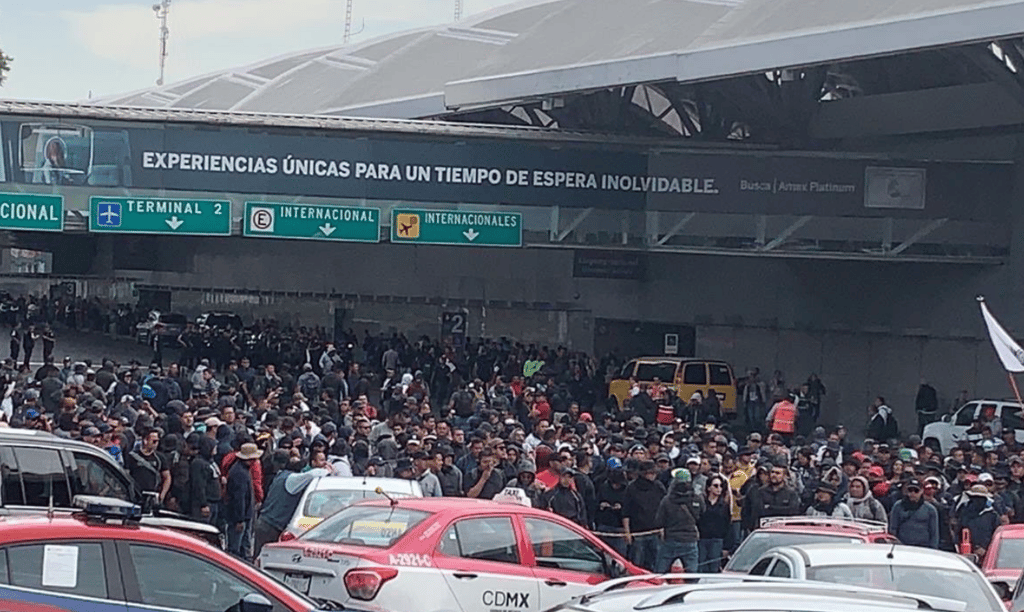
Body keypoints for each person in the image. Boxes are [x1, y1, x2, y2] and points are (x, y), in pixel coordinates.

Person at [654, 468, 703, 574]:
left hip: (671, 539)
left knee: (660, 572)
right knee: (692, 573)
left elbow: (659, 521)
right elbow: (702, 516)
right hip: (690, 539)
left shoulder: (667, 500)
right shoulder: (697, 498)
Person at [624, 460, 666, 571]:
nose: (653, 475)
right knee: (637, 563)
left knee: (655, 564)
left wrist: (663, 527)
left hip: (655, 532)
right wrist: (627, 532)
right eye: (650, 473)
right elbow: (626, 512)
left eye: (654, 473)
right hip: (638, 532)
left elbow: (664, 509)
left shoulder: (659, 487)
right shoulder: (631, 488)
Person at [224, 442, 262, 559]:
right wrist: (239, 520)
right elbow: (238, 499)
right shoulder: (240, 473)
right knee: (236, 548)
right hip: (240, 517)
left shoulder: (241, 470)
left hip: (244, 515)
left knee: (242, 546)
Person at [889, 479, 939, 548]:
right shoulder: (898, 506)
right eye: (910, 490)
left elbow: (934, 533)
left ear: (921, 491)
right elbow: (893, 528)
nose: (913, 493)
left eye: (916, 491)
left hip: (923, 547)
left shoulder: (930, 509)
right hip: (902, 546)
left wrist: (933, 548)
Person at [697, 473, 731, 573]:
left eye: (720, 486)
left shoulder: (724, 505)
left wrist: (726, 547)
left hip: (717, 540)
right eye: (715, 486)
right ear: (708, 488)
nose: (719, 488)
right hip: (702, 540)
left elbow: (727, 525)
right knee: (701, 567)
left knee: (714, 568)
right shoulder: (702, 503)